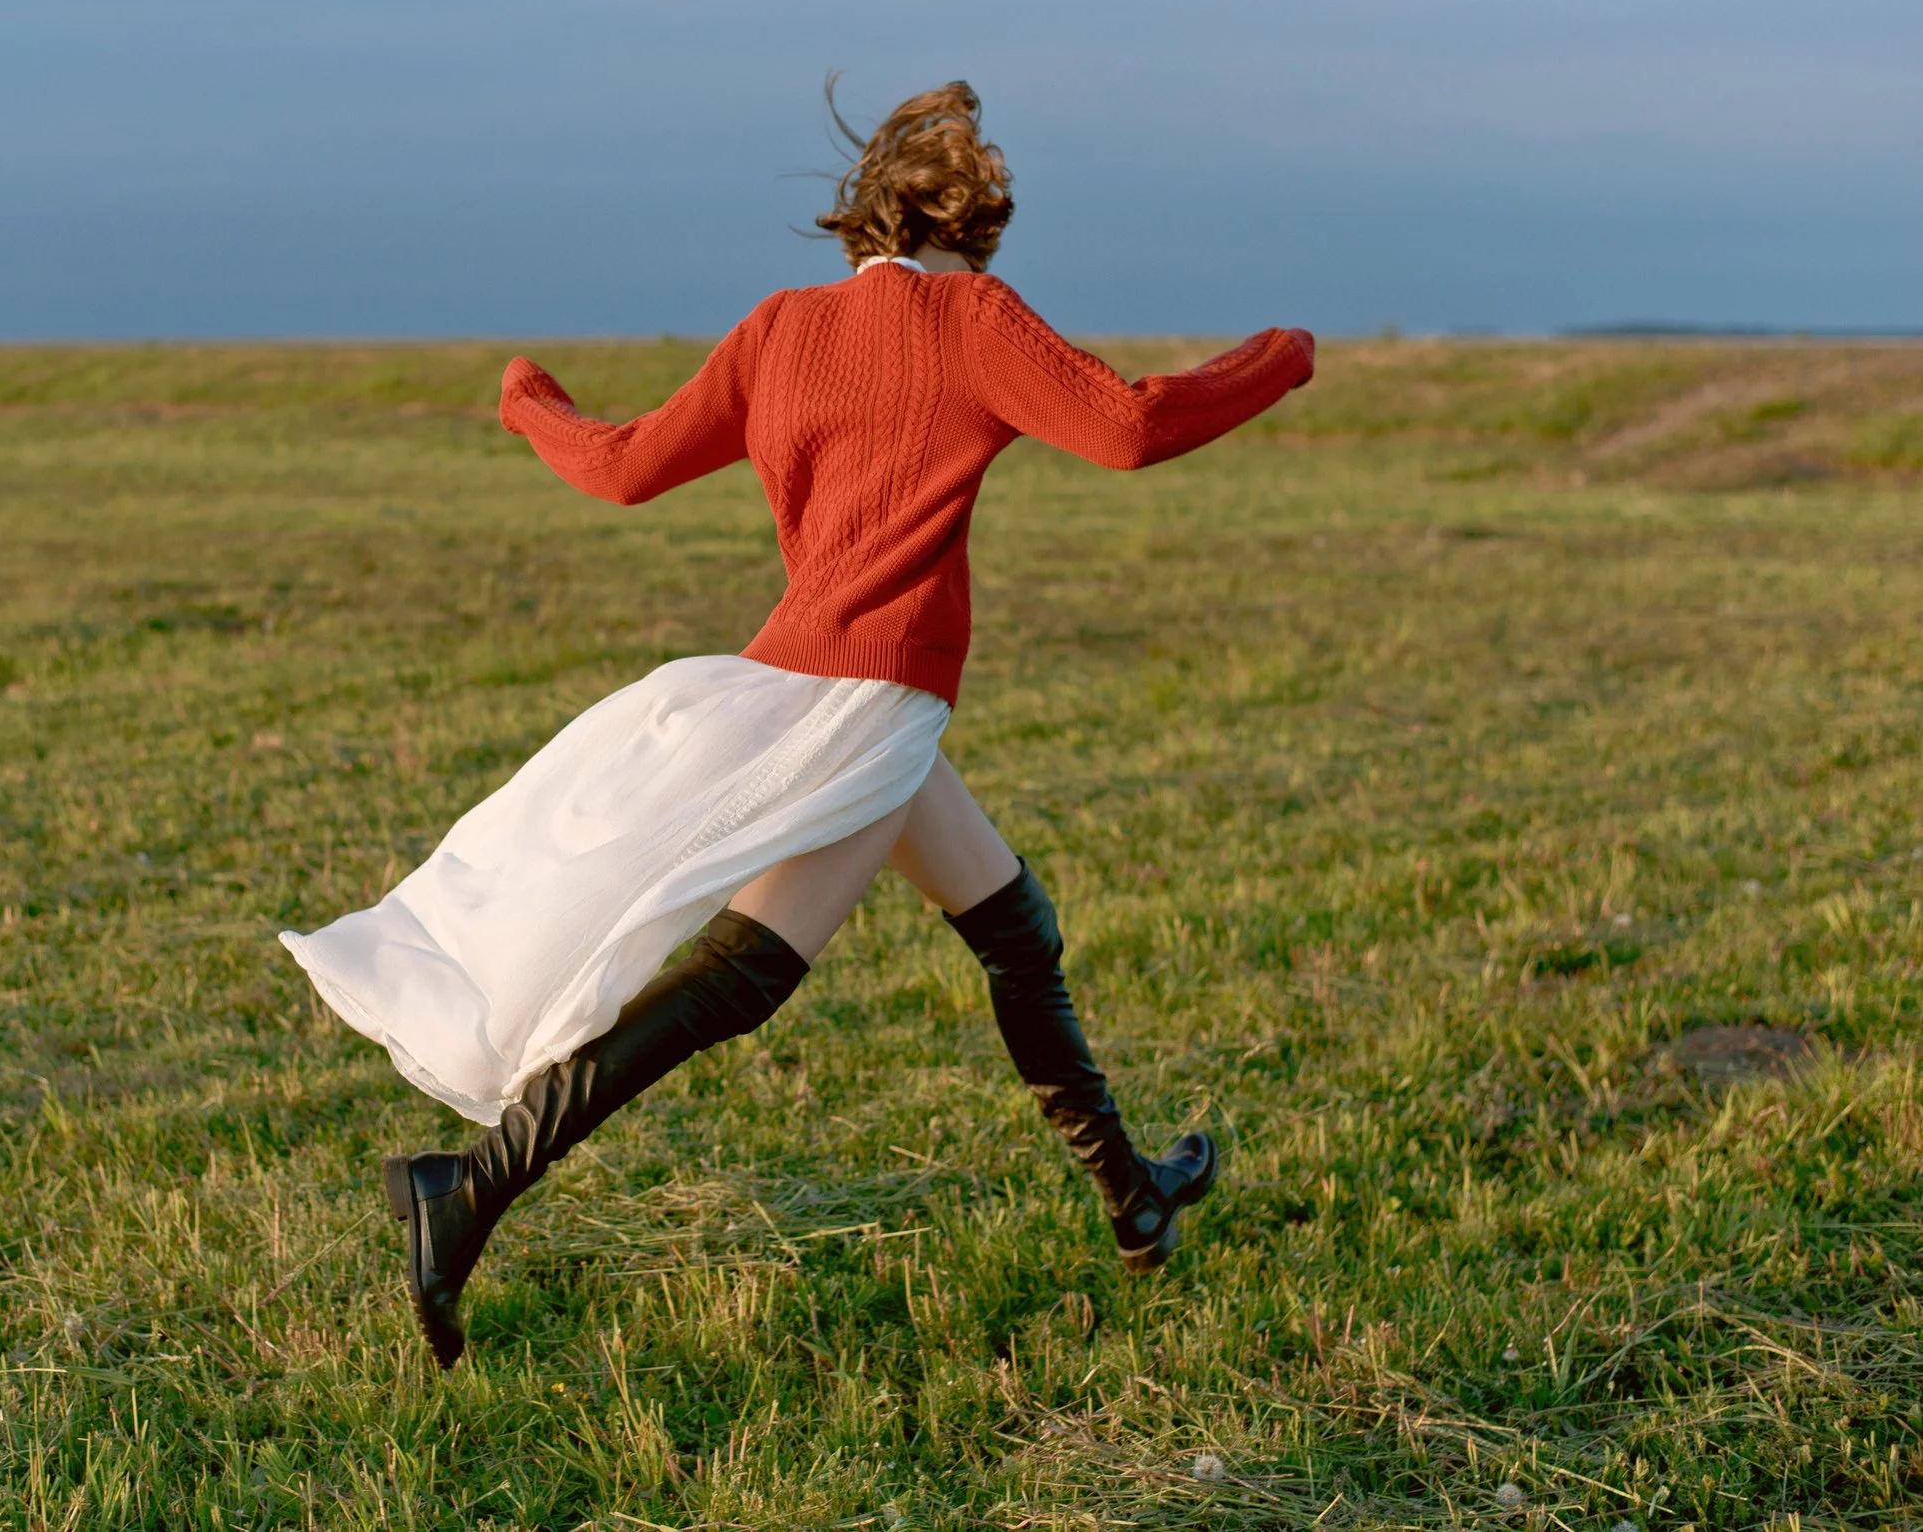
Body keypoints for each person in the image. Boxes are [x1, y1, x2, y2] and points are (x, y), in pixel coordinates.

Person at [281, 80, 1315, 1367]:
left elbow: (618, 465)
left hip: (808, 684)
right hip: (871, 702)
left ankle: (1132, 1193)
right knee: (740, 983)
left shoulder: (780, 330)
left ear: (859, 222)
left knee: (1013, 931)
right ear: (971, 227)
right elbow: (1132, 427)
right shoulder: (972, 315)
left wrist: (525, 398)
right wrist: (1281, 355)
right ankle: (469, 1189)